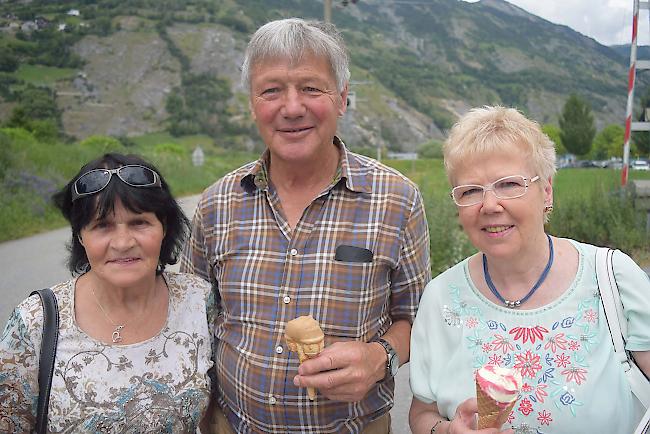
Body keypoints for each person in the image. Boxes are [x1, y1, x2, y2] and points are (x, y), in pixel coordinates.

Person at [181, 18, 431, 433]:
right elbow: (192, 324)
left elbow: (416, 318)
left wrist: (379, 357)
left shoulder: (397, 201)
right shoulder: (216, 204)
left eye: (311, 88)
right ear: (252, 104)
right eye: (271, 90)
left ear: (343, 98)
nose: (292, 107)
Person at [408, 106, 650, 434]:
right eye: (470, 191)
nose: (490, 205)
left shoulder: (611, 278)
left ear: (547, 190)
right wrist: (445, 431)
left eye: (508, 184)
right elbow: (423, 413)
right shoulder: (440, 298)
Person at [0, 153, 215, 432]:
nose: (123, 242)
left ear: (164, 227)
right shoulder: (35, 322)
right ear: (80, 235)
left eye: (139, 222)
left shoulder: (199, 301)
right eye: (102, 226)